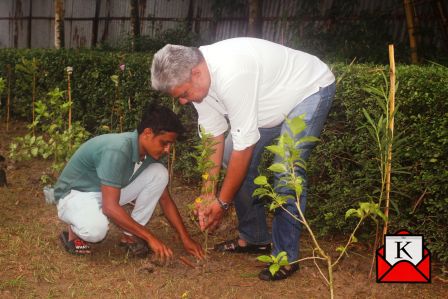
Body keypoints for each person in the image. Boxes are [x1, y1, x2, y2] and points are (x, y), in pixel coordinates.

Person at [151, 37, 335, 280]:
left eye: (184, 94)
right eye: (179, 98)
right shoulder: (199, 83)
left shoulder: (232, 73)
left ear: (196, 72)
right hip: (268, 104)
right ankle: (254, 237)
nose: (184, 101)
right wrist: (208, 195)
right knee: (229, 155)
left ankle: (285, 257)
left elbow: (245, 147)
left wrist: (222, 203)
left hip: (307, 90)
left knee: (285, 170)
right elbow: (213, 138)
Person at [54, 103, 204, 261]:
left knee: (159, 173)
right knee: (95, 231)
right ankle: (73, 230)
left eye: (170, 145)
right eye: (164, 143)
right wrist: (150, 238)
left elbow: (165, 199)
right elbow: (110, 207)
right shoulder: (118, 149)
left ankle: (131, 236)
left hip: (103, 191)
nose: (167, 149)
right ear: (147, 133)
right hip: (75, 194)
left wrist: (185, 238)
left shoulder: (147, 153)